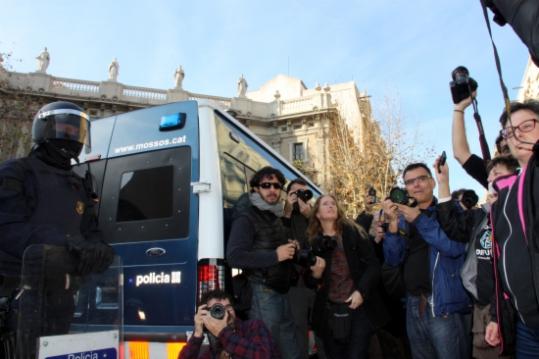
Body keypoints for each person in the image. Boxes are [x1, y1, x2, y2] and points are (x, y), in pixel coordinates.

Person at [0, 101, 114, 357]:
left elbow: (90, 230)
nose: (71, 136)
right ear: (44, 129)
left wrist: (100, 250)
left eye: (77, 132)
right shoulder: (16, 172)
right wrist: (64, 243)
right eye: (64, 129)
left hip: (61, 296)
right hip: (16, 291)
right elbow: (8, 227)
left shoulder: (78, 185)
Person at [382, 162, 471, 359]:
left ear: (432, 182)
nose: (416, 185)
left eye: (421, 179)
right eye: (409, 182)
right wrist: (393, 225)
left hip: (442, 304)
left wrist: (419, 219)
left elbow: (454, 248)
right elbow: (392, 259)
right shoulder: (404, 217)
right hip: (413, 303)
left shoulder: (449, 211)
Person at [436, 155, 518, 359]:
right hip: (484, 311)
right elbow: (451, 227)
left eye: (497, 174)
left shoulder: (522, 214)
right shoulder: (480, 216)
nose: (490, 179)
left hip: (513, 309)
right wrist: (443, 183)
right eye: (489, 175)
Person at [226, 167, 309, 359]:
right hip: (262, 292)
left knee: (290, 349)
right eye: (266, 185)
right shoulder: (246, 216)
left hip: (281, 290)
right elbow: (235, 256)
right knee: (266, 350)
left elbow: (271, 244)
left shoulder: (274, 214)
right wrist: (275, 255)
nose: (272, 190)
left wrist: (290, 246)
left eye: (276, 186)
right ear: (255, 189)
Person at [485, 100, 539, 357]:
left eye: (526, 126)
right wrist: (498, 315)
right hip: (526, 327)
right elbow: (500, 262)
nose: (518, 135)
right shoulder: (503, 199)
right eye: (509, 132)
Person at [305, 194, 388, 359]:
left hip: (359, 308)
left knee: (356, 355)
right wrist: (316, 274)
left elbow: (373, 265)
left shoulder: (354, 232)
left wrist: (361, 291)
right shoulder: (313, 242)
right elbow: (309, 281)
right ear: (317, 214)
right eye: (325, 204)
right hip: (330, 313)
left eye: (333, 203)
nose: (331, 206)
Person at [179, 289, 280, 359]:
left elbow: (263, 356)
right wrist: (197, 333)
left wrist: (223, 332)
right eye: (218, 310)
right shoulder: (215, 348)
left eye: (228, 308)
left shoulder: (253, 327)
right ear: (206, 316)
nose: (226, 313)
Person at [282, 179, 315, 359]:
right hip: (295, 283)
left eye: (304, 193)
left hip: (317, 279)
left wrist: (310, 215)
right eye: (296, 193)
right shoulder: (282, 215)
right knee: (298, 329)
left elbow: (327, 235)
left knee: (325, 329)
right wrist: (287, 212)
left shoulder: (314, 216)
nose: (301, 197)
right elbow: (276, 240)